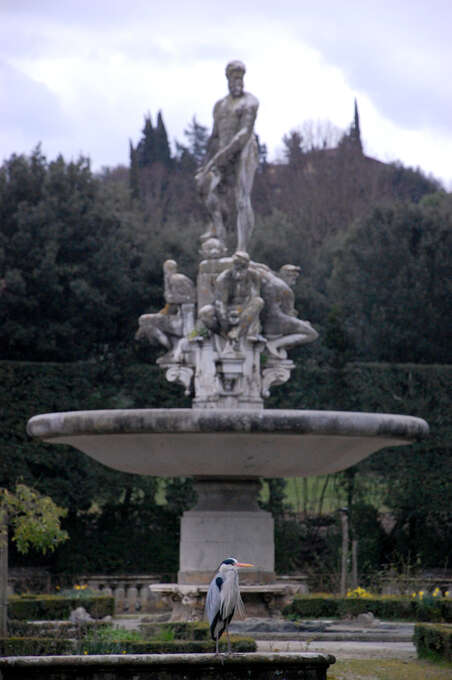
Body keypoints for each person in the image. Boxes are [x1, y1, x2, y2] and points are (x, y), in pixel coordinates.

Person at [196, 60, 259, 253]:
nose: (237, 81)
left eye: (240, 77)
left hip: (243, 151)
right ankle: (217, 229)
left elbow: (244, 133)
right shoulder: (220, 106)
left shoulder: (250, 102)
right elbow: (214, 136)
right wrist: (206, 163)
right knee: (204, 185)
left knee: (242, 198)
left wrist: (220, 157)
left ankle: (242, 249)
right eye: (233, 77)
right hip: (222, 152)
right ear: (228, 79)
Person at [214, 251, 263, 347]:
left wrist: (245, 310)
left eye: (243, 266)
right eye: (237, 265)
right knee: (206, 312)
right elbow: (222, 302)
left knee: (258, 301)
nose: (240, 268)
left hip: (246, 307)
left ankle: (238, 331)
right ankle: (224, 334)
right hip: (228, 306)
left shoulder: (254, 276)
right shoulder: (224, 277)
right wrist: (225, 317)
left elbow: (255, 295)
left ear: (247, 265)